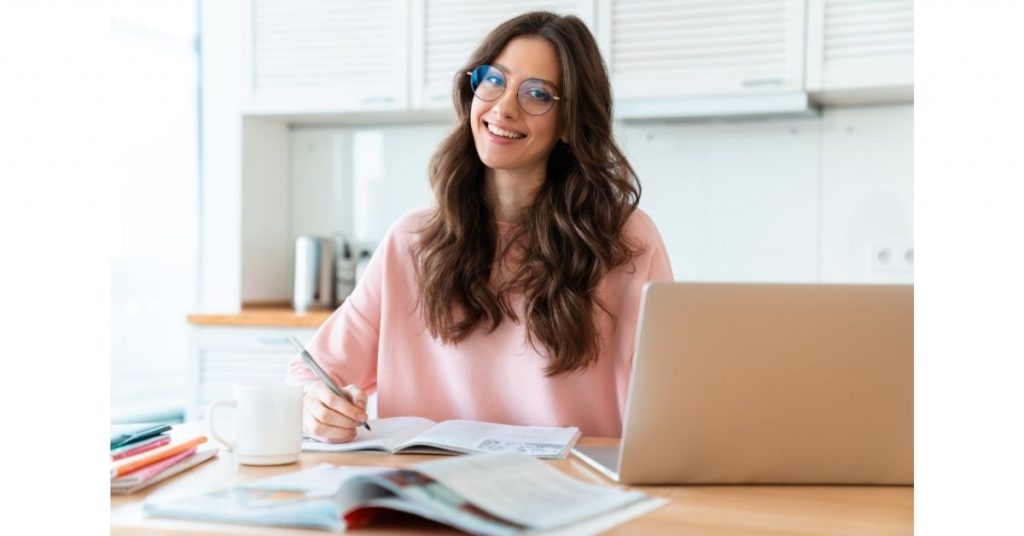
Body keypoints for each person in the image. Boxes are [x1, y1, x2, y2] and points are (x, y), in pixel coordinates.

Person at [286, 11, 672, 442]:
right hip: (434, 495)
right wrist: (314, 405)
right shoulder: (413, 242)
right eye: (494, 80)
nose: (504, 107)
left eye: (537, 94)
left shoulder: (627, 242)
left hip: (571, 495)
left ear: (569, 123)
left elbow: (672, 403)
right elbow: (311, 374)